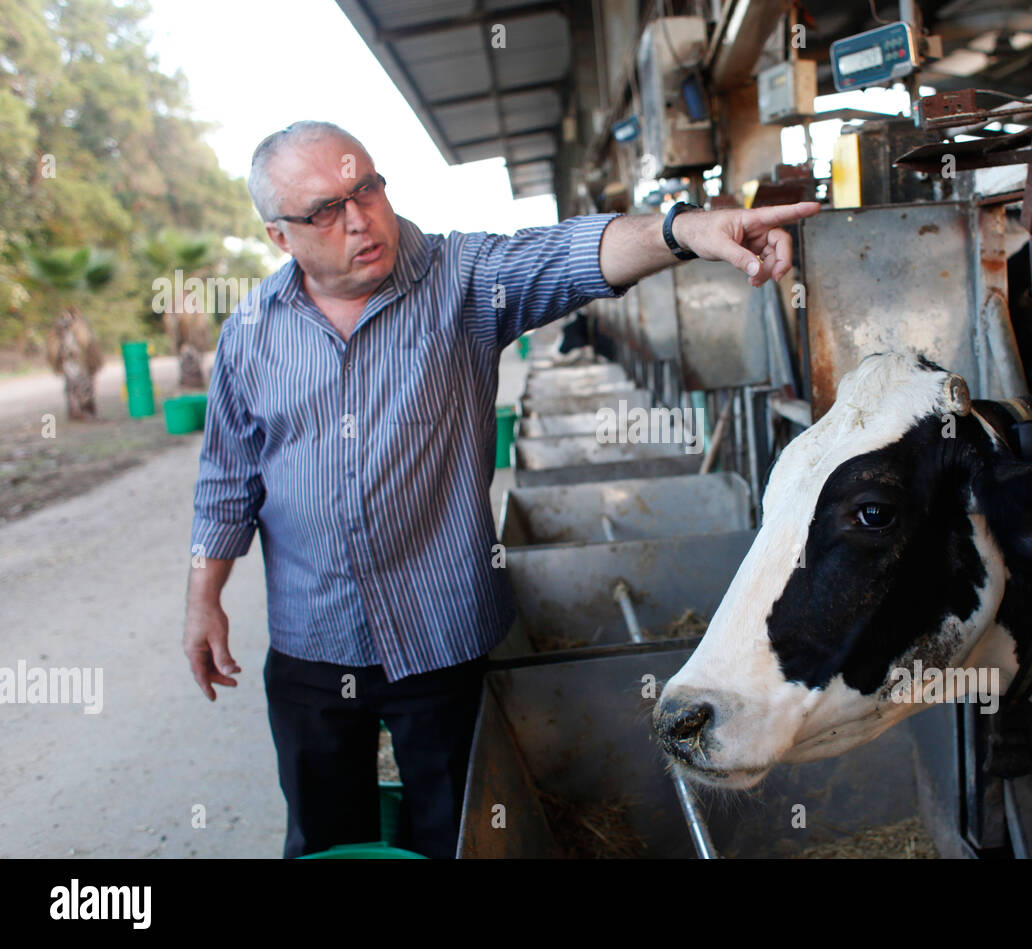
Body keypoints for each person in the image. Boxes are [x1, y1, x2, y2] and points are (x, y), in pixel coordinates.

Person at [181, 120, 819, 858]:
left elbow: (577, 254)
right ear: (279, 237)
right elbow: (227, 477)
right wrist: (203, 598)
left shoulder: (460, 279)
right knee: (323, 836)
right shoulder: (252, 331)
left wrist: (686, 230)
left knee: (456, 831)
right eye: (325, 209)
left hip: (439, 633)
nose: (359, 218)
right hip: (311, 640)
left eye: (368, 189)